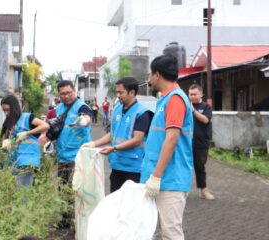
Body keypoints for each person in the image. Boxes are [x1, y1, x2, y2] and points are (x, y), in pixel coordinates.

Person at [140, 55, 194, 240]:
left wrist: (156, 177)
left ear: (157, 75)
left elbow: (171, 139)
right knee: (151, 230)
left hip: (169, 179)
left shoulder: (175, 99)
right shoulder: (164, 99)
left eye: (150, 74)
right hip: (159, 177)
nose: (149, 78)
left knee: (171, 234)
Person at [83, 77, 153, 193]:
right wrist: (93, 143)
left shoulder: (142, 113)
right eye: (117, 92)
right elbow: (112, 135)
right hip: (117, 165)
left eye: (121, 92)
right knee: (116, 204)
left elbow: (137, 140)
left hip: (134, 168)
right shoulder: (117, 109)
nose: (118, 95)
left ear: (132, 92)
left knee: (132, 206)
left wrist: (114, 148)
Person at [46, 80, 93, 183]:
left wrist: (84, 120)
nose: (66, 96)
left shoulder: (82, 106)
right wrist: (48, 142)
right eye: (63, 94)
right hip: (61, 158)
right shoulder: (57, 109)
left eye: (69, 92)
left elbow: (87, 118)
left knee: (76, 191)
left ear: (74, 91)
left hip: (78, 158)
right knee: (63, 193)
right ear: (59, 94)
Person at [0, 94, 49, 187]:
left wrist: (27, 133)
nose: (6, 113)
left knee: (23, 193)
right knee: (13, 192)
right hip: (13, 162)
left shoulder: (26, 118)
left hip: (27, 161)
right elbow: (3, 139)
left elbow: (45, 126)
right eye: (4, 110)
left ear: (14, 107)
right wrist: (5, 143)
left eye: (8, 109)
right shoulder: (8, 123)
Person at [189, 84, 215, 200]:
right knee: (185, 166)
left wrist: (193, 111)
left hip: (201, 142)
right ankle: (183, 190)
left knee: (200, 167)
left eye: (195, 94)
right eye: (190, 94)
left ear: (201, 94)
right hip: (187, 142)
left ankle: (203, 191)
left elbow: (205, 120)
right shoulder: (186, 106)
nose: (192, 97)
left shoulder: (206, 107)